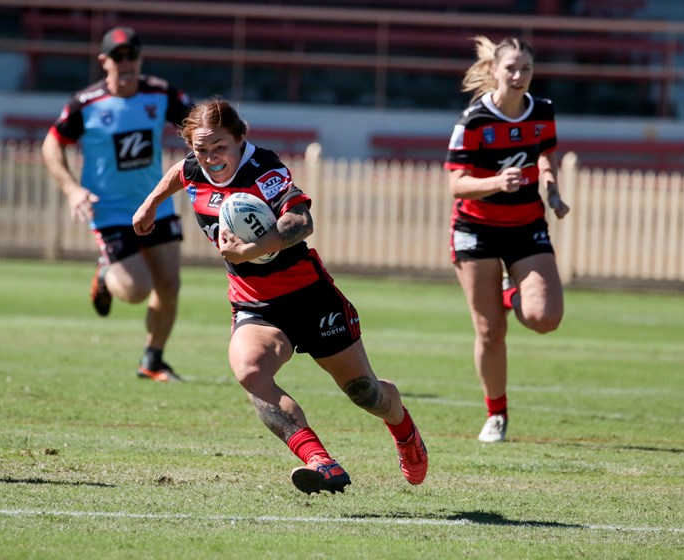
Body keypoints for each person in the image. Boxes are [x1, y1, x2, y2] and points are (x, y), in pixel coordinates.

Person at [132, 98, 428, 494]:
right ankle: (320, 462)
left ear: (240, 138)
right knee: (250, 371)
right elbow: (179, 173)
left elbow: (301, 222)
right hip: (255, 303)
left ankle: (405, 431)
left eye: (219, 147)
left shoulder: (264, 169)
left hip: (310, 297)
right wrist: (151, 203)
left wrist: (247, 251)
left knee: (366, 393)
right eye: (200, 149)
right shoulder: (193, 167)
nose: (210, 158)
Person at [42, 27, 193, 382]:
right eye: (118, 57)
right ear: (104, 61)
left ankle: (152, 360)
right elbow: (51, 145)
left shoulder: (161, 93)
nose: (126, 63)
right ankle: (107, 275)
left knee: (169, 285)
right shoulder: (86, 103)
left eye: (132, 56)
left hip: (156, 206)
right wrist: (72, 190)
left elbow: (198, 124)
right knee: (138, 289)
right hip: (109, 211)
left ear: (139, 59)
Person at [444, 36, 571, 443]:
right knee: (489, 332)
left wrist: (551, 190)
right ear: (495, 71)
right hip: (475, 230)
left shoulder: (543, 112)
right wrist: (497, 181)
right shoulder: (474, 120)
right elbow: (456, 184)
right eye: (511, 68)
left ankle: (506, 292)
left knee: (544, 318)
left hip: (525, 227)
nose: (519, 76)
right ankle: (496, 414)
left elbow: (547, 154)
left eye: (526, 69)